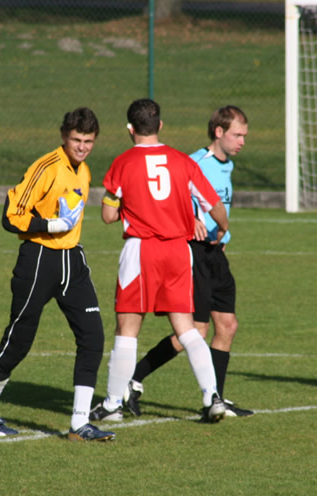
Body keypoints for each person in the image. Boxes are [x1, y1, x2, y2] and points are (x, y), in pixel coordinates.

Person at [0, 107, 113, 442]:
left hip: (72, 262)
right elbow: (10, 216)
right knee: (20, 339)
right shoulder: (46, 167)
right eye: (76, 139)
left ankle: (79, 423)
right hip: (39, 259)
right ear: (64, 136)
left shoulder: (85, 170)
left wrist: (64, 230)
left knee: (93, 337)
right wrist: (50, 225)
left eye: (88, 141)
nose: (81, 147)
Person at [92, 98, 230, 424]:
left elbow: (108, 216)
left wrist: (125, 205)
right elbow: (213, 205)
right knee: (186, 328)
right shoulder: (184, 162)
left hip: (142, 250)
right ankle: (212, 396)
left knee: (127, 329)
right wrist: (222, 228)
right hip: (179, 252)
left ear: (130, 129)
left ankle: (113, 404)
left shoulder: (123, 163)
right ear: (161, 126)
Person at [124, 105, 253, 418]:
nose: (242, 141)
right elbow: (170, 192)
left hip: (216, 253)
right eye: (237, 134)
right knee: (194, 330)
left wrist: (222, 235)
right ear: (219, 132)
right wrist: (192, 217)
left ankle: (217, 398)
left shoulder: (227, 165)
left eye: (244, 136)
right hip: (192, 253)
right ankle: (133, 378)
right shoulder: (195, 161)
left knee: (228, 325)